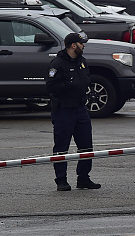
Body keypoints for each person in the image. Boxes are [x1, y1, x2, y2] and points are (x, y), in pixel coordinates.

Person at [46, 32, 101, 191]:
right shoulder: (58, 63)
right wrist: (68, 85)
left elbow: (86, 79)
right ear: (73, 45)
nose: (84, 46)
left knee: (86, 146)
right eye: (81, 43)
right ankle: (61, 179)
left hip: (80, 109)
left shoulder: (81, 62)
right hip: (64, 110)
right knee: (62, 147)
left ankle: (83, 177)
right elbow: (51, 87)